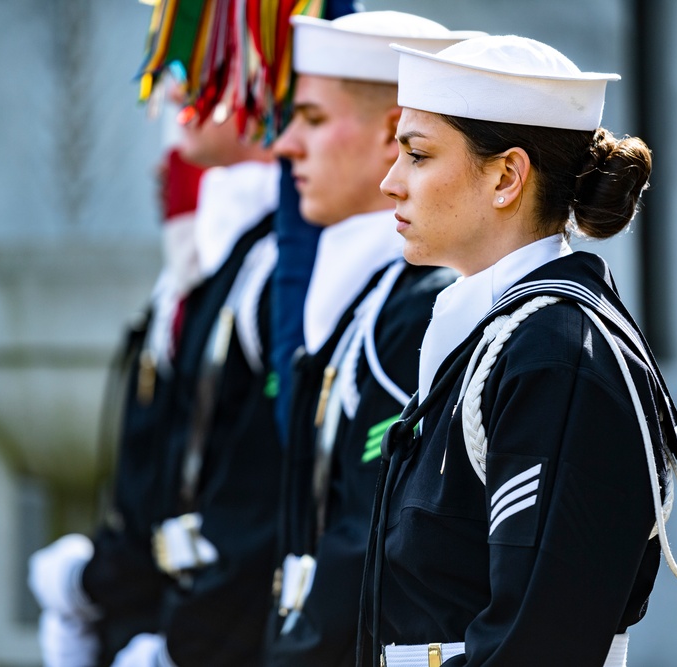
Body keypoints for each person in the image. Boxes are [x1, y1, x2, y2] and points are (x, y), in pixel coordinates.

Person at [361, 34, 677, 667]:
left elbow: (538, 642)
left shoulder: (555, 354)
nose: (390, 183)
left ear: (507, 176)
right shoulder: (501, 336)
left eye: (417, 155)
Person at [28, 77, 282, 667]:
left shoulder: (266, 268)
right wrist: (99, 584)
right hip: (165, 612)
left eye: (208, 78)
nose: (173, 102)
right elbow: (158, 481)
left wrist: (175, 643)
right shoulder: (202, 274)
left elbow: (253, 502)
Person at [262, 12, 479, 667]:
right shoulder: (369, 299)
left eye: (314, 118)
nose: (285, 145)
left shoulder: (424, 307)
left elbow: (374, 539)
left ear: (392, 134)